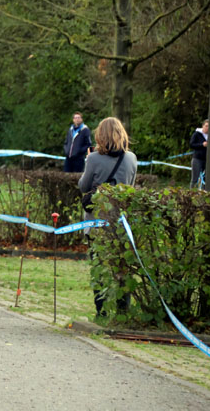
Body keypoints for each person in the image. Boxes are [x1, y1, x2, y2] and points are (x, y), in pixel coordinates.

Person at [78, 117, 138, 317]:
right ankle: (123, 309)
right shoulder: (131, 158)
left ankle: (101, 310)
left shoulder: (94, 158)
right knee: (122, 266)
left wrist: (88, 160)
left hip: (97, 220)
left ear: (100, 136)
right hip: (121, 221)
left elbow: (84, 186)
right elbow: (131, 185)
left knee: (98, 265)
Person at [190, 119, 209, 189]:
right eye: (206, 126)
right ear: (203, 126)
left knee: (206, 179)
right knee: (195, 178)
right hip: (197, 159)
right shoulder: (196, 134)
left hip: (207, 160)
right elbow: (191, 144)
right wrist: (202, 144)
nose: (207, 128)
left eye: (209, 127)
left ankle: (204, 194)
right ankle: (191, 194)